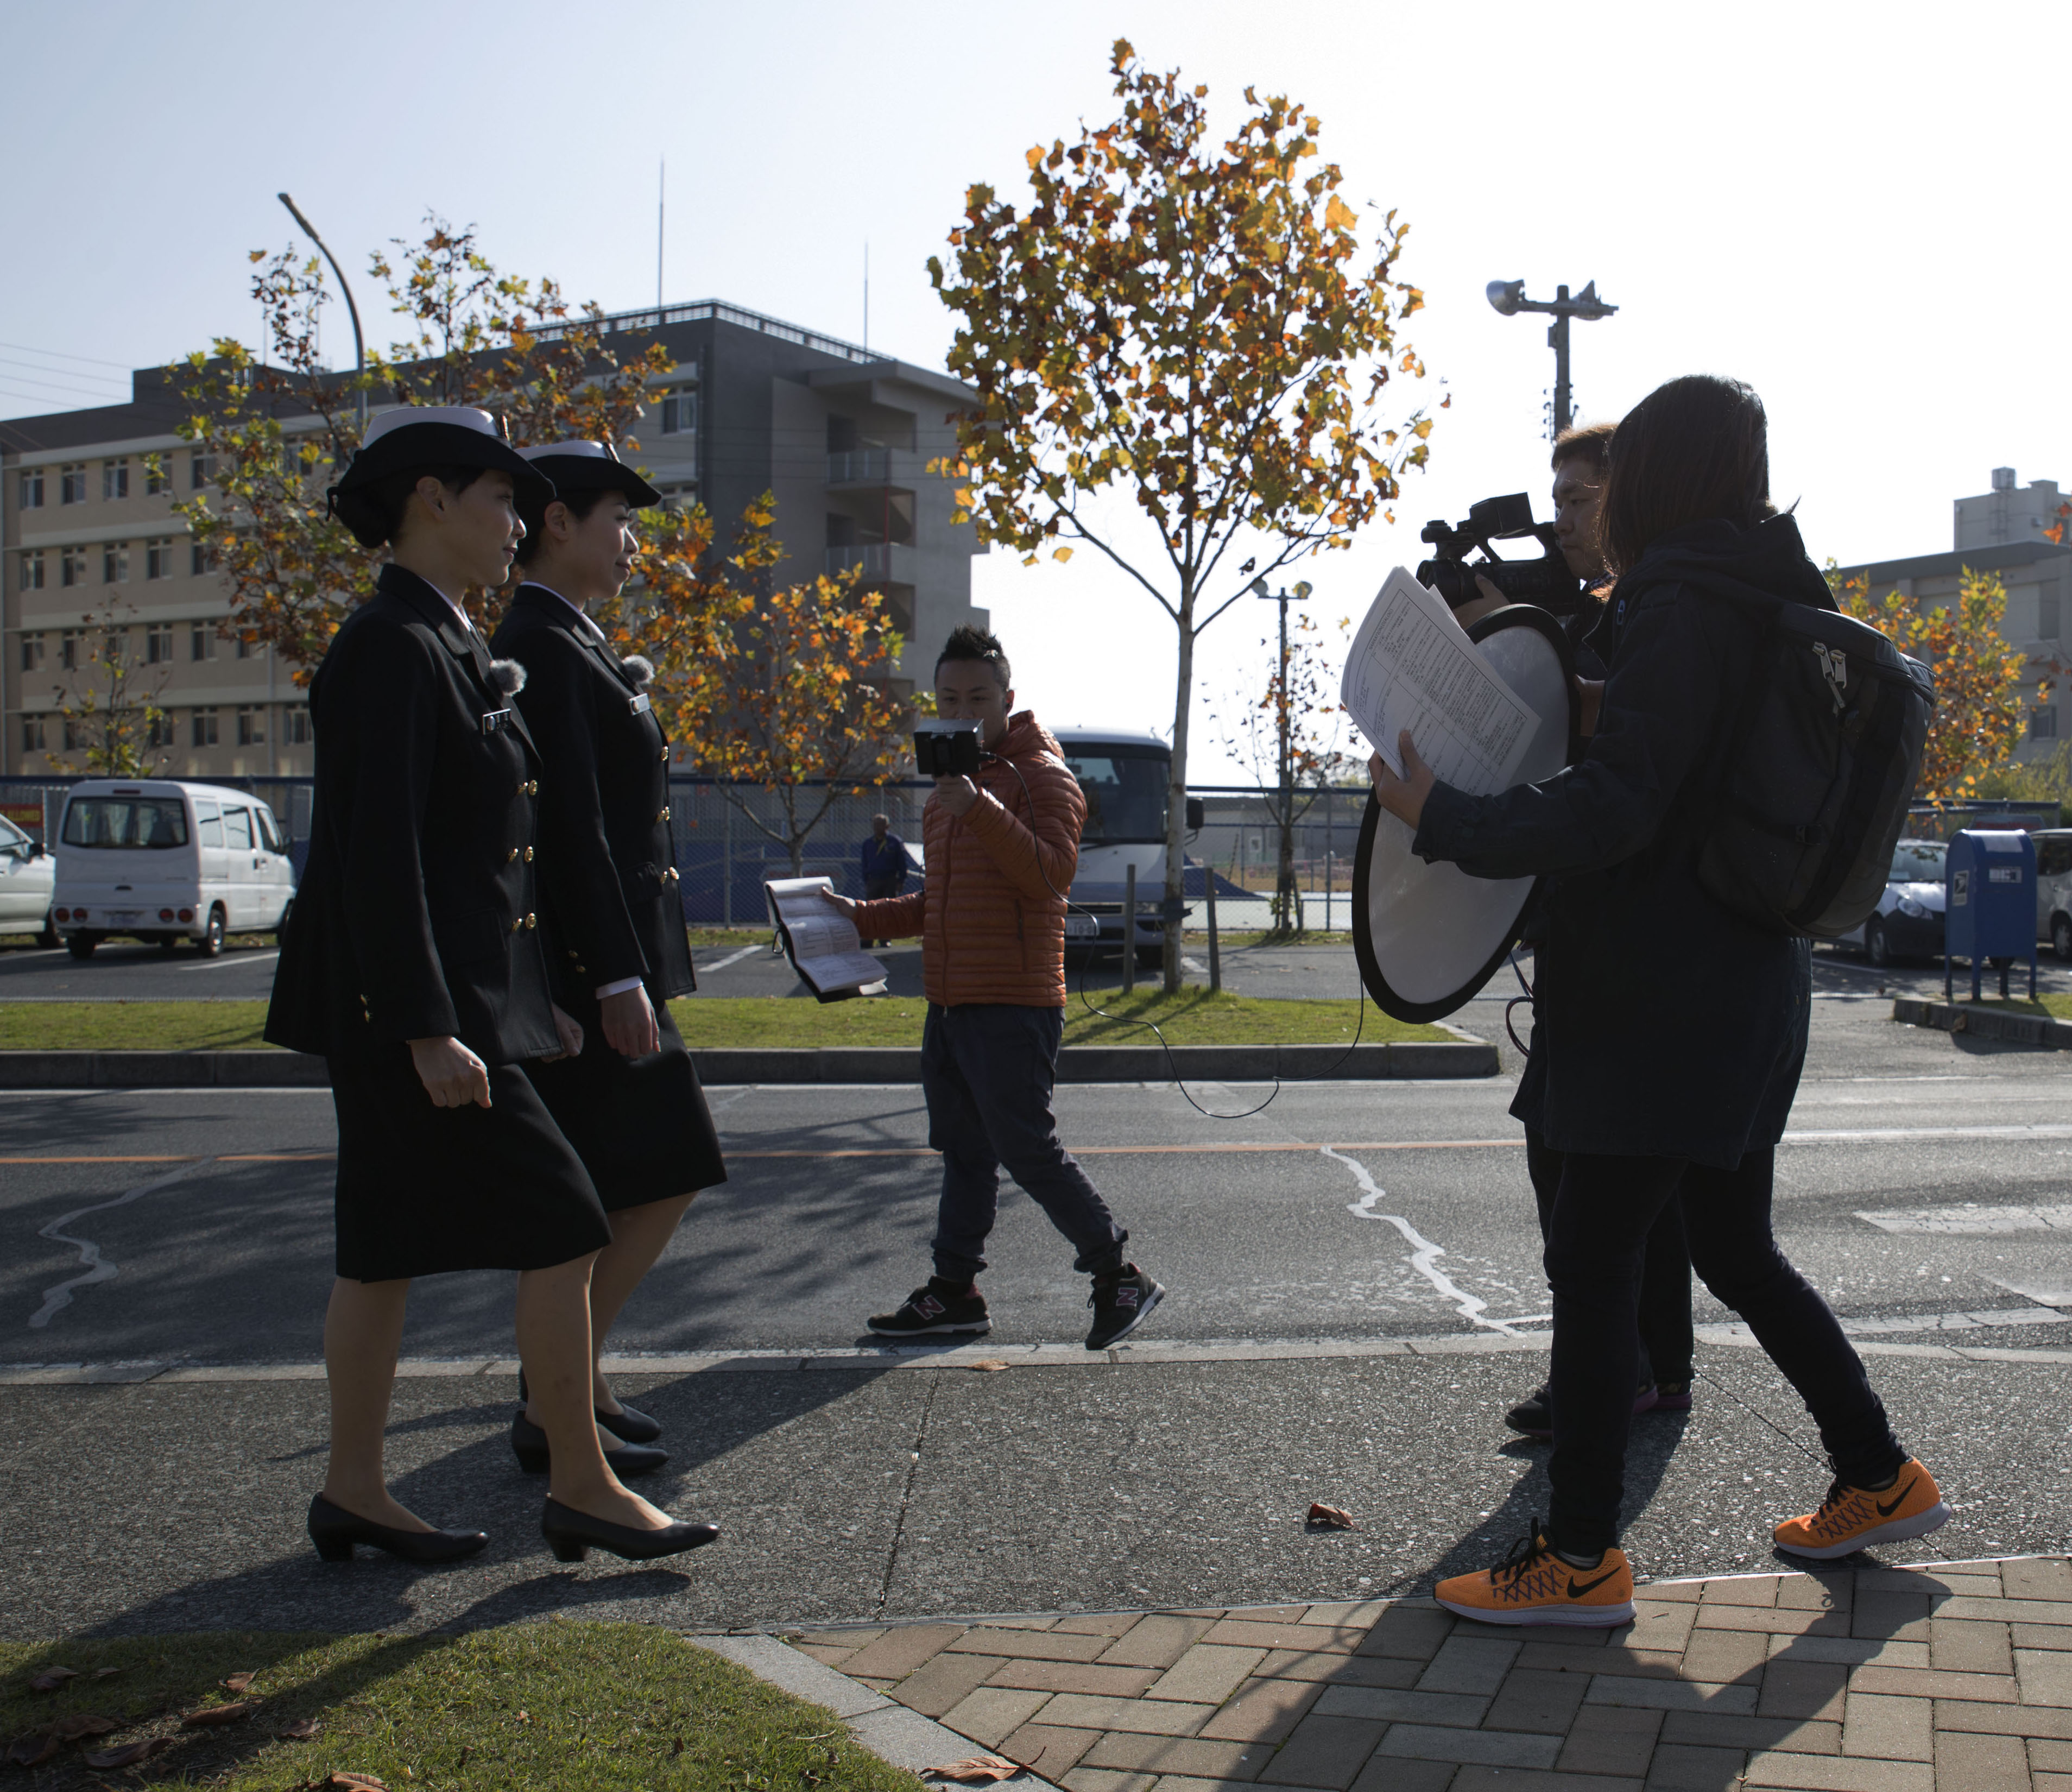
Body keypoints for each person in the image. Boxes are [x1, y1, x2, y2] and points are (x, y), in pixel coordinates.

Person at [1369, 376, 1948, 1625]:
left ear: (1653, 480)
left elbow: (1618, 807)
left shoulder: (1680, 600)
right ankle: (1880, 1473)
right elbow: (1681, 761)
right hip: (1745, 983)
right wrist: (1576, 695)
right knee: (1733, 1245)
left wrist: (1448, 817)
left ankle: (1576, 1557)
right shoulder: (1761, 590)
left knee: (1594, 1256)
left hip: (1659, 995)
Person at [268, 405, 716, 1567]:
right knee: (563, 1219)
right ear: (431, 499)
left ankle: (355, 1490)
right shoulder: (389, 646)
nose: (520, 523)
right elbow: (378, 857)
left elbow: (490, 860)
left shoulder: (448, 640)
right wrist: (429, 1030)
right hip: (402, 1012)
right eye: (503, 499)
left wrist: (529, 1000)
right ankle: (579, 1481)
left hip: (447, 1005)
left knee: (379, 1250)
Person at [818, 625, 1165, 1349]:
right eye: (949, 698)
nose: (963, 710)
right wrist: (862, 918)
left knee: (1026, 1149)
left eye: (978, 697)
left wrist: (979, 805)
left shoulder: (1040, 776)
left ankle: (1119, 1274)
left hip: (1013, 1003)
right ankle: (954, 1293)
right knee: (967, 1153)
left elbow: (1050, 877)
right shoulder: (949, 790)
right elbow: (938, 902)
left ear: (1007, 698)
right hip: (951, 1002)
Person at [490, 438, 728, 1480]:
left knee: (628, 1183)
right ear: (558, 525)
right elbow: (572, 825)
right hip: (594, 971)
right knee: (655, 1171)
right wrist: (614, 975)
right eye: (617, 522)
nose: (632, 544)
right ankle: (554, 1401)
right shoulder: (539, 642)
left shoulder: (570, 640)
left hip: (609, 963)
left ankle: (567, 1390)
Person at [1498, 423, 1697, 1442]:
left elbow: (1611, 774)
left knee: (1583, 1189)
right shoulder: (1611, 615)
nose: (1562, 516)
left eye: (1577, 497)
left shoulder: (1654, 619)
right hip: (1601, 950)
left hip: (1627, 956)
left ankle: (1610, 1390)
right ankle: (1648, 1370)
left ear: (1627, 497)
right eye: (1558, 496)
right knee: (1644, 1201)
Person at [856, 813, 911, 949]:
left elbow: (902, 863)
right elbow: (865, 863)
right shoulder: (868, 843)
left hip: (890, 880)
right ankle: (868, 939)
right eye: (875, 824)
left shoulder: (894, 842)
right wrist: (866, 880)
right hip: (874, 880)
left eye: (880, 824)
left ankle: (885, 939)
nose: (877, 827)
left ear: (887, 826)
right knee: (870, 911)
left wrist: (901, 880)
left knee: (887, 911)